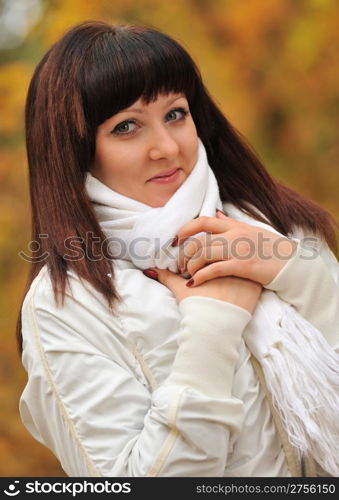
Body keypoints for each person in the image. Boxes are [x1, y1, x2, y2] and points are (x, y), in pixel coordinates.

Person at [17, 20, 339, 478]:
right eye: (126, 126)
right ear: (76, 149)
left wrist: (308, 283)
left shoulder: (277, 226)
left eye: (175, 114)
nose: (166, 147)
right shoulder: (67, 304)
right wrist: (211, 329)